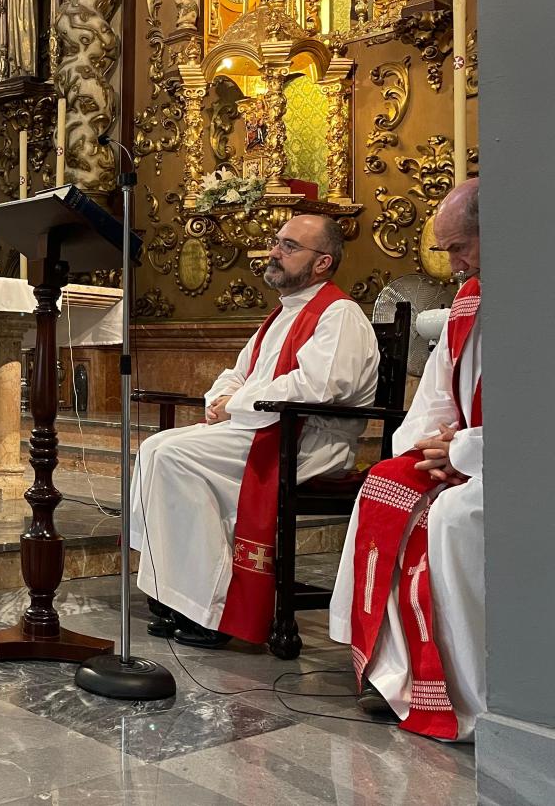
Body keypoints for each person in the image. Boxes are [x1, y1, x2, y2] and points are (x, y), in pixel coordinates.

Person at [132, 214, 379, 648]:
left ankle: (213, 607)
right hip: (266, 429)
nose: (275, 252)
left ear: (322, 263)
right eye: (276, 242)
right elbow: (237, 373)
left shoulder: (339, 315)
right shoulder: (280, 316)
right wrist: (220, 401)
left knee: (171, 456)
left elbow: (318, 386)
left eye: (289, 246)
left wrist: (238, 405)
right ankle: (179, 594)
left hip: (307, 443)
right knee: (156, 448)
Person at [329, 178, 483, 741]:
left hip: (500, 465)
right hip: (458, 453)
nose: (452, 263)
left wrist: (464, 450)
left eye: (459, 246)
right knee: (384, 482)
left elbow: (547, 414)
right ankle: (387, 667)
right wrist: (426, 448)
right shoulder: (469, 300)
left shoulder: (543, 297)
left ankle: (465, 690)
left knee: (449, 519)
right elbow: (438, 392)